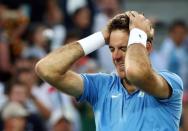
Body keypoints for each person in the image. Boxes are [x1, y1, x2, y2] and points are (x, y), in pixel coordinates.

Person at [35, 11, 183, 131]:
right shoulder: (102, 86)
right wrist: (100, 37)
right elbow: (46, 69)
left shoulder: (171, 82)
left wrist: (138, 33)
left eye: (124, 48)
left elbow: (137, 74)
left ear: (148, 48)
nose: (116, 56)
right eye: (112, 48)